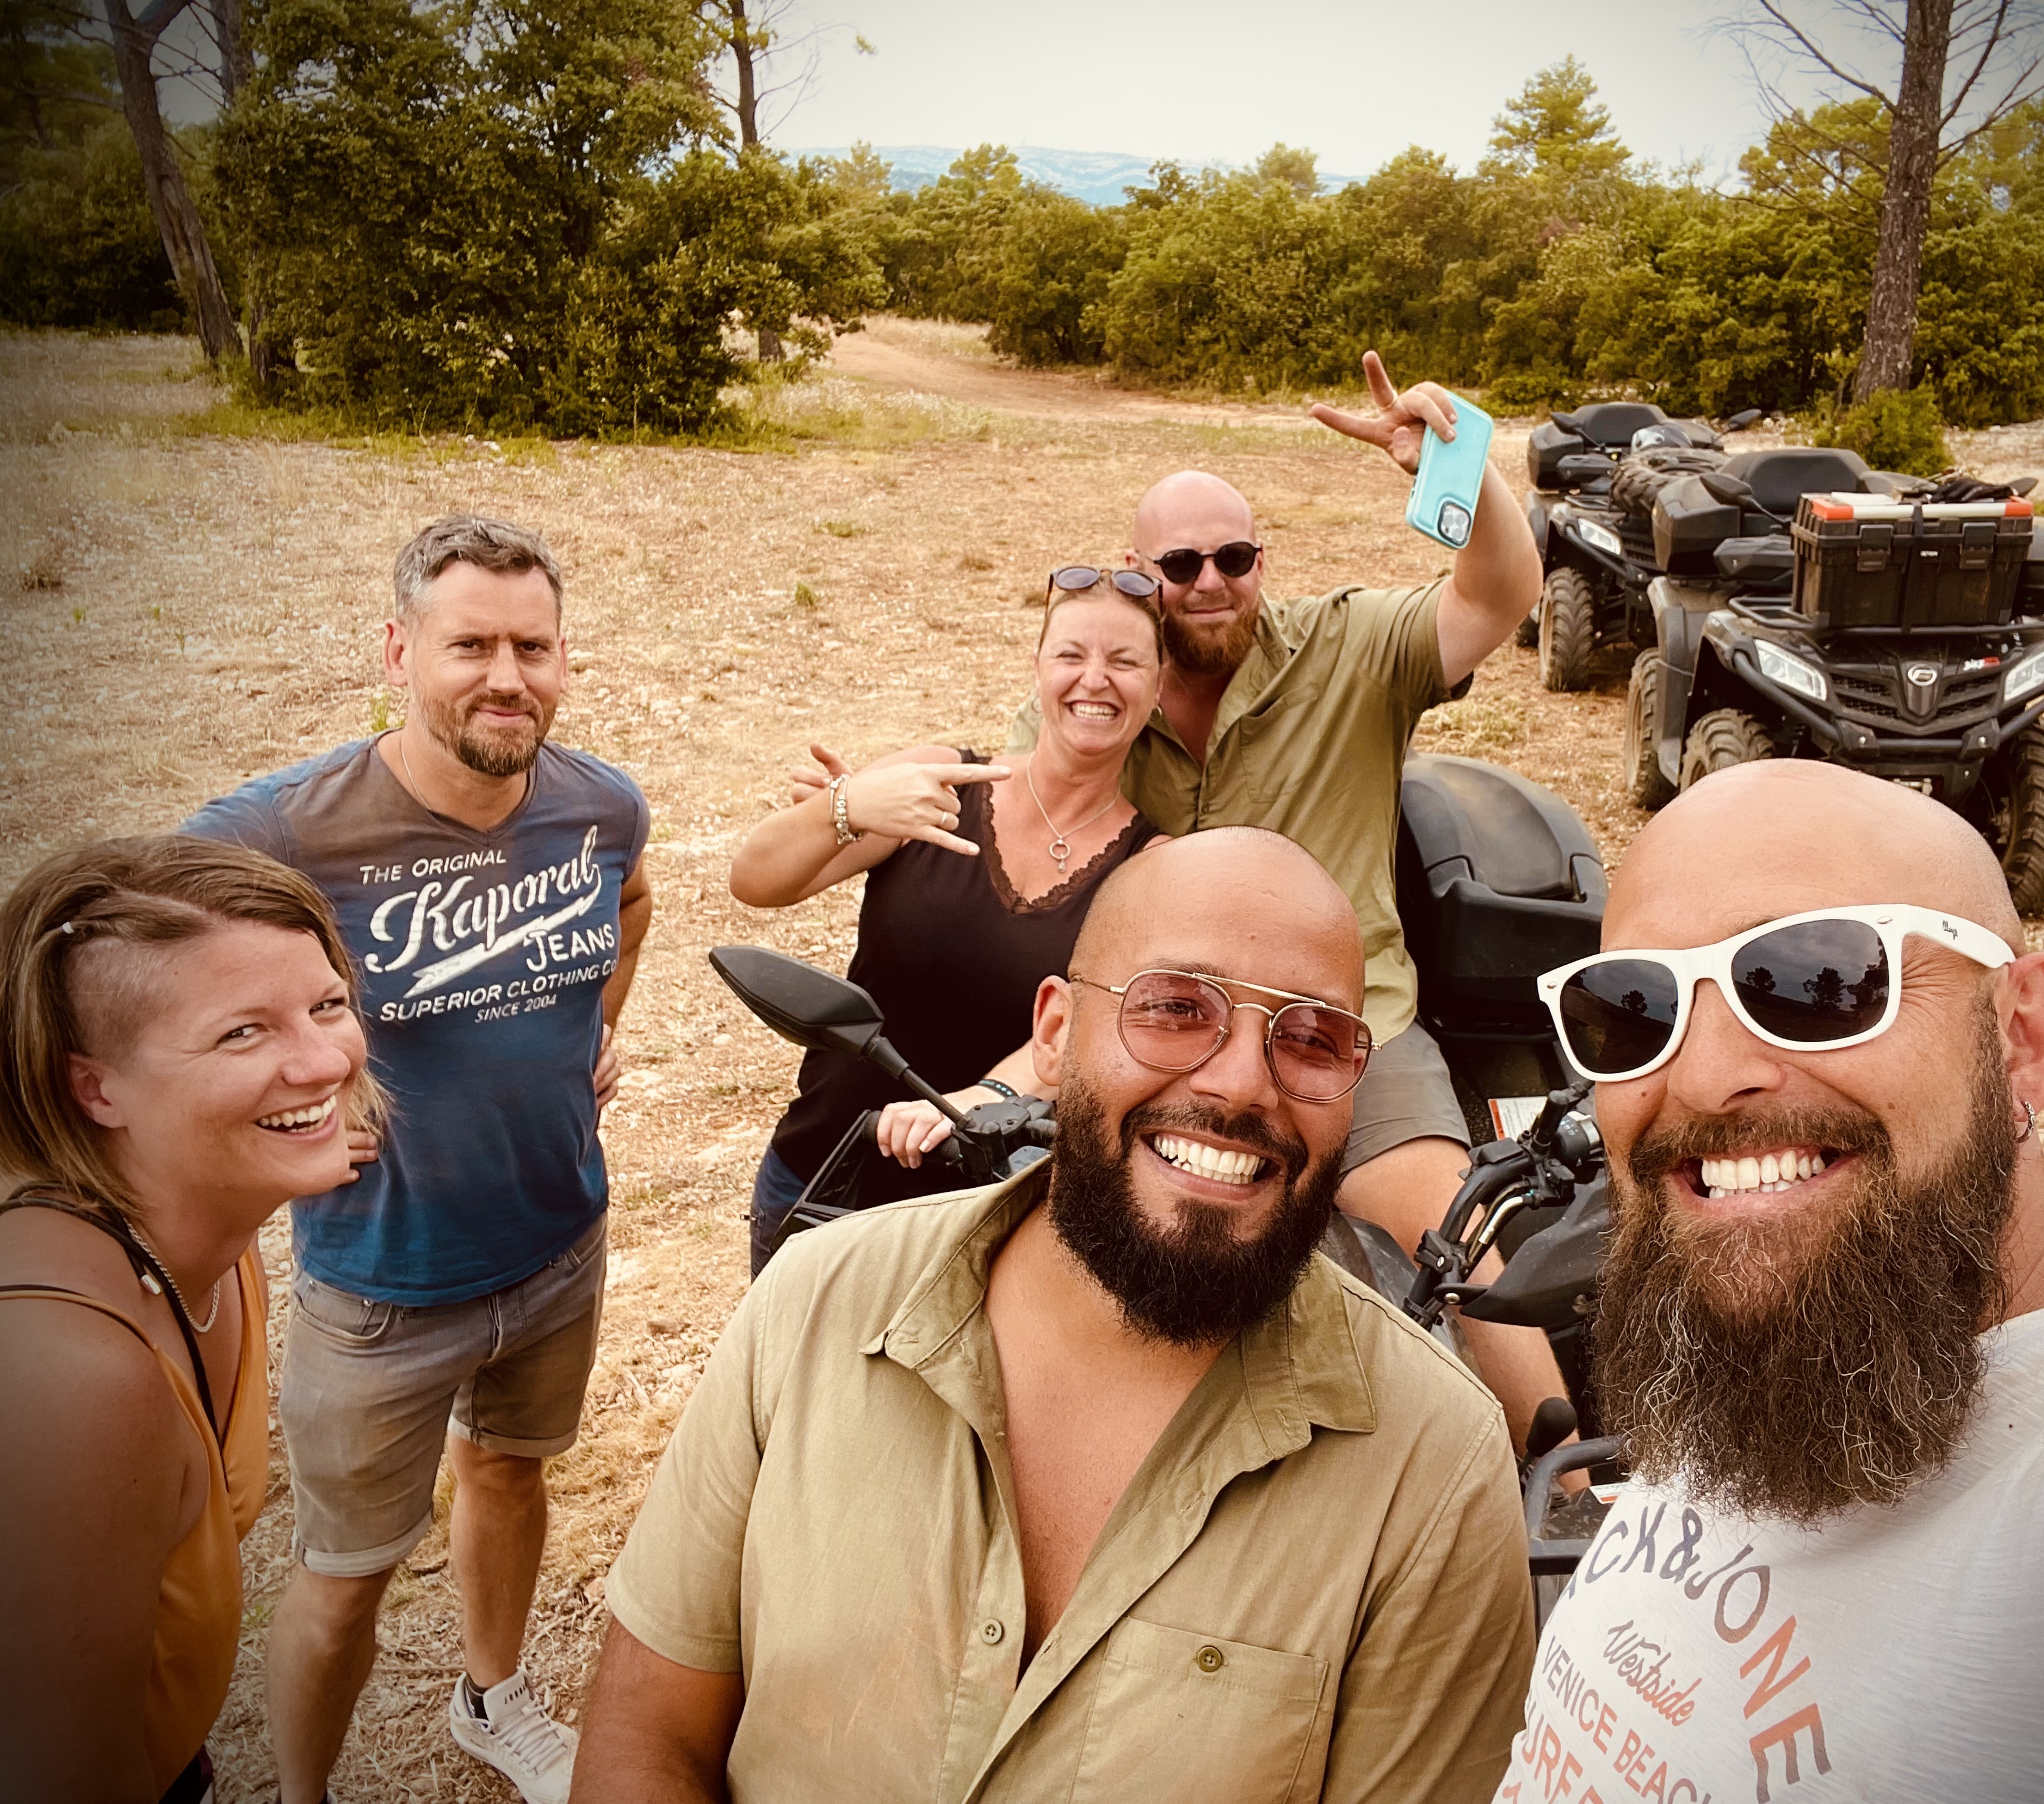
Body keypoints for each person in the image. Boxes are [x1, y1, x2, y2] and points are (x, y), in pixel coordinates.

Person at [1495, 761, 2044, 1804]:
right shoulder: (1770, 1347)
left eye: (1810, 980)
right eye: (1634, 1009)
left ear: (2023, 1036)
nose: (1700, 1078)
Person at [572, 829, 1536, 1803]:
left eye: (1312, 1038)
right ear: (1055, 1030)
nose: (1243, 1083)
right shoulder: (816, 1302)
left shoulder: (1432, 1464)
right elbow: (648, 1732)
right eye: (1175, 1007)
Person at [982, 351, 1563, 1447]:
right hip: (1161, 1027)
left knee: (1452, 1230)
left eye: (1235, 558)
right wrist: (863, 806)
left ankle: (1565, 1477)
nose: (1210, 582)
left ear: (1264, 560)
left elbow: (1500, 594)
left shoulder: (1349, 650)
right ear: (1138, 573)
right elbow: (1017, 808)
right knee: (1062, 1245)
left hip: (1345, 1022)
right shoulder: (1108, 693)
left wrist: (1461, 470)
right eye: (1181, 563)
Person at [182, 515, 654, 1804]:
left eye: (533, 648)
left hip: (558, 1244)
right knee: (343, 1577)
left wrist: (597, 1029)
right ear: (398, 652)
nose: (508, 677)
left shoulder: (600, 806)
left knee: (508, 1469)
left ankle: (493, 1698)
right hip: (380, 1287)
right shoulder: (284, 833)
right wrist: (274, 1121)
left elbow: (628, 902)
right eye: (470, 646)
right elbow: (136, 987)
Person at [0, 835, 380, 1804]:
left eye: (327, 1004)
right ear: (95, 1088)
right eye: (242, 1033)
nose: (323, 1059)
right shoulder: (69, 1371)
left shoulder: (211, 1232)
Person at [729, 566, 1164, 1272]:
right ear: (1037, 669)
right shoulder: (937, 781)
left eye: (1125, 661)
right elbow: (754, 880)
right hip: (827, 1180)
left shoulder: (1151, 866)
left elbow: (1097, 1023)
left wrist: (983, 1099)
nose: (1095, 679)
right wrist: (846, 808)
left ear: (1158, 687)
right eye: (1071, 654)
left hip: (992, 1218)